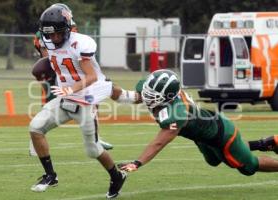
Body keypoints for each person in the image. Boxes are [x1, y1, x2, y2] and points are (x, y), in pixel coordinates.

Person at [29, 5, 131, 198]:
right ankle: (50, 175)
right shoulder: (47, 41)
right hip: (64, 98)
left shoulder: (80, 43)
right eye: (50, 35)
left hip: (84, 99)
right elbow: (53, 63)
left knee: (93, 150)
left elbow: (91, 76)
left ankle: (117, 176)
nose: (54, 39)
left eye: (58, 34)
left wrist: (71, 88)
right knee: (35, 128)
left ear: (67, 29)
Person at [118, 69, 278, 180]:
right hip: (203, 135)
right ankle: (264, 144)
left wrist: (137, 163)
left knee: (247, 167)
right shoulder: (161, 92)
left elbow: (159, 142)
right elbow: (130, 96)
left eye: (151, 95)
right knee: (214, 160)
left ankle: (268, 144)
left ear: (167, 96)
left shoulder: (177, 113)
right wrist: (104, 87)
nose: (145, 97)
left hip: (223, 135)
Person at [29, 3, 117, 155]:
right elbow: (49, 57)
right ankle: (34, 142)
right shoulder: (45, 35)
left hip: (69, 73)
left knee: (91, 99)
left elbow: (73, 46)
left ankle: (95, 137)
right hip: (57, 74)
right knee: (49, 107)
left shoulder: (67, 29)